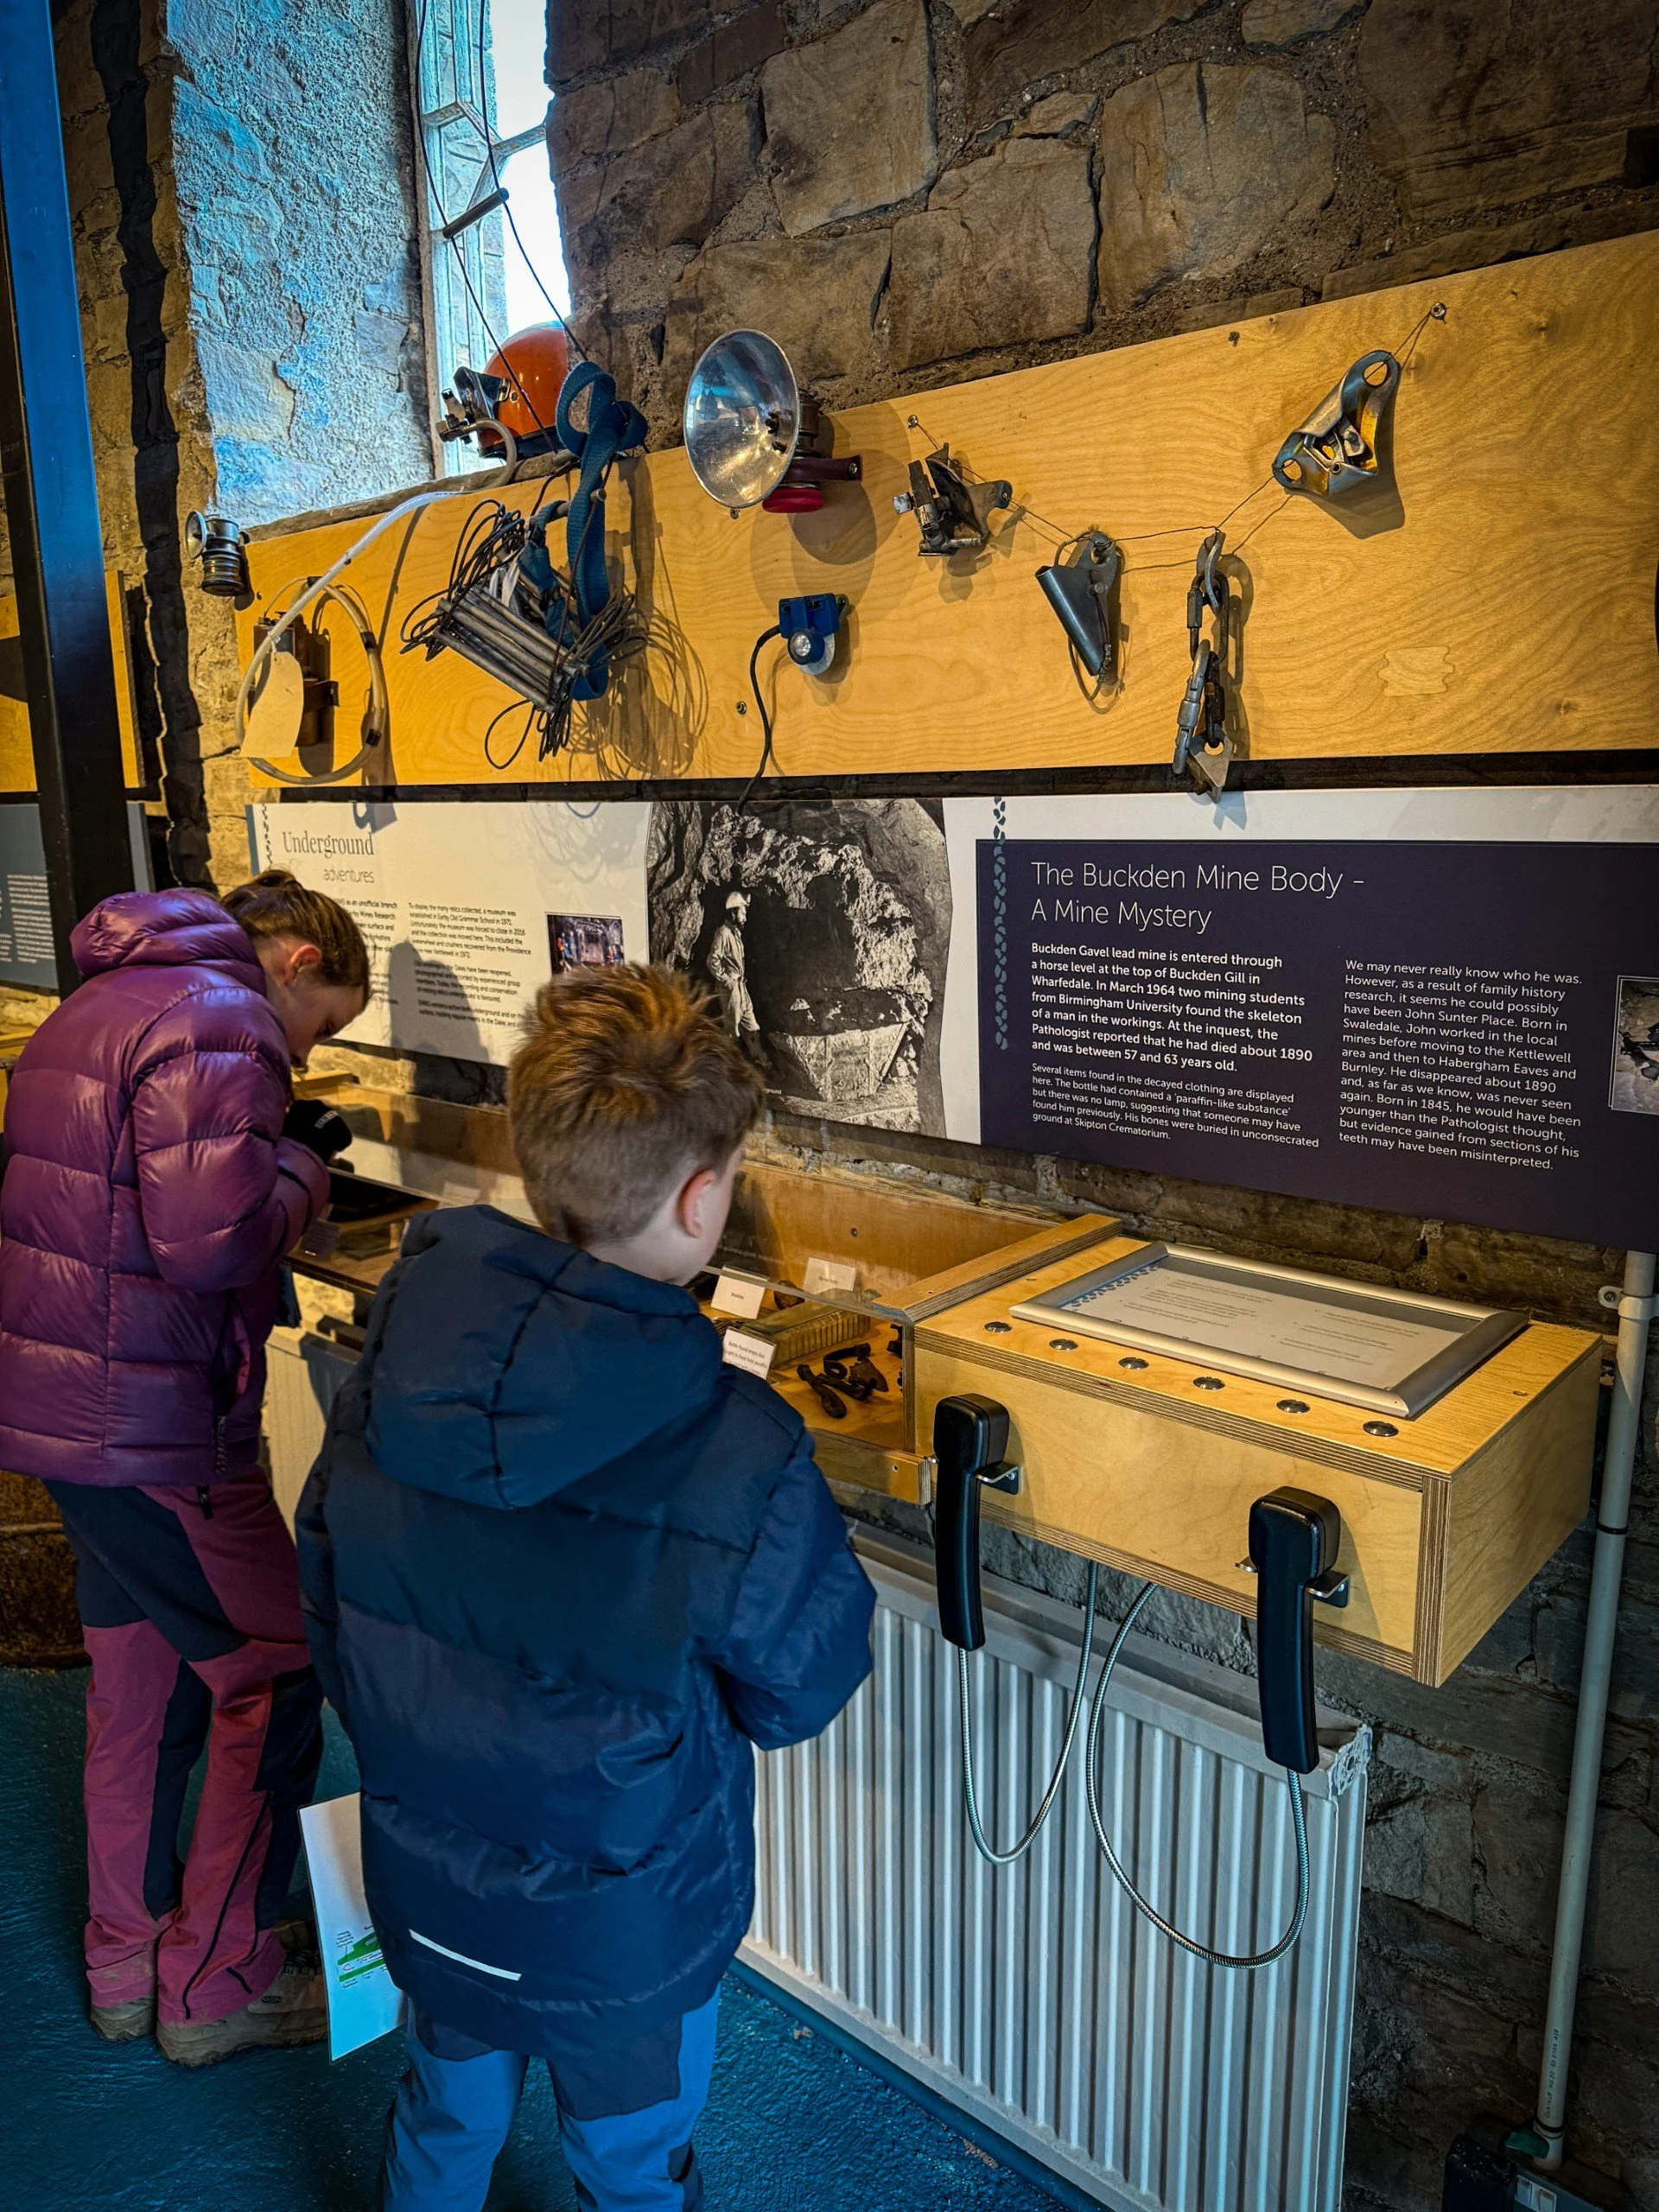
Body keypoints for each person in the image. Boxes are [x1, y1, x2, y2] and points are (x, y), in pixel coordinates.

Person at [296, 962, 874, 2212]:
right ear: (705, 1197)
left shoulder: (394, 1359)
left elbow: (329, 1605)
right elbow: (804, 1686)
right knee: (628, 2166)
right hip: (629, 1916)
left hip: (432, 1867)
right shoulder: (745, 1447)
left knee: (442, 2122)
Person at [0, 868, 369, 2064]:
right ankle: (218, 1983)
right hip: (156, 1429)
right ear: (300, 963)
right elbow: (211, 1247)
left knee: (141, 1682)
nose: (304, 1057)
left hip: (65, 1415)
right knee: (280, 1667)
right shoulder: (225, 1014)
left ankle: (125, 1959)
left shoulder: (101, 999)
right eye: (326, 1029)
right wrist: (305, 1169)